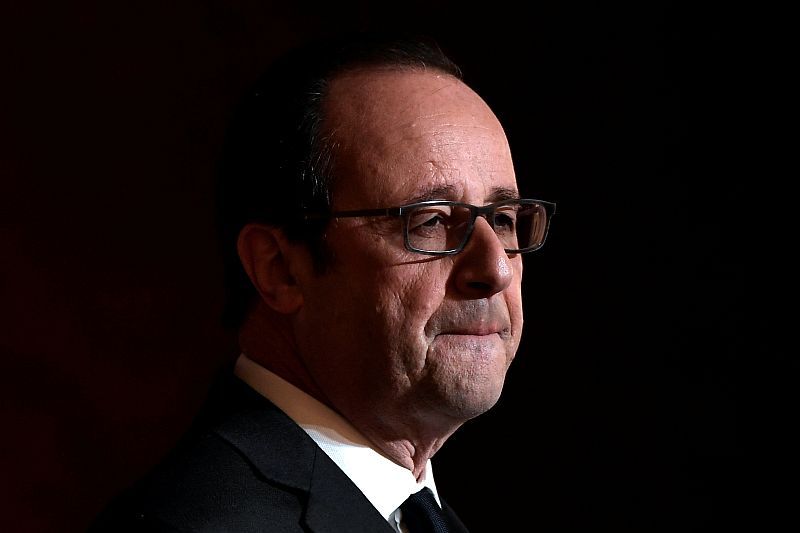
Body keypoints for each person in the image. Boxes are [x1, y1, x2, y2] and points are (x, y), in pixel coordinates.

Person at [87, 30, 556, 533]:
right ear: (279, 268)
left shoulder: (419, 515)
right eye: (431, 221)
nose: (495, 270)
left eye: (503, 219)